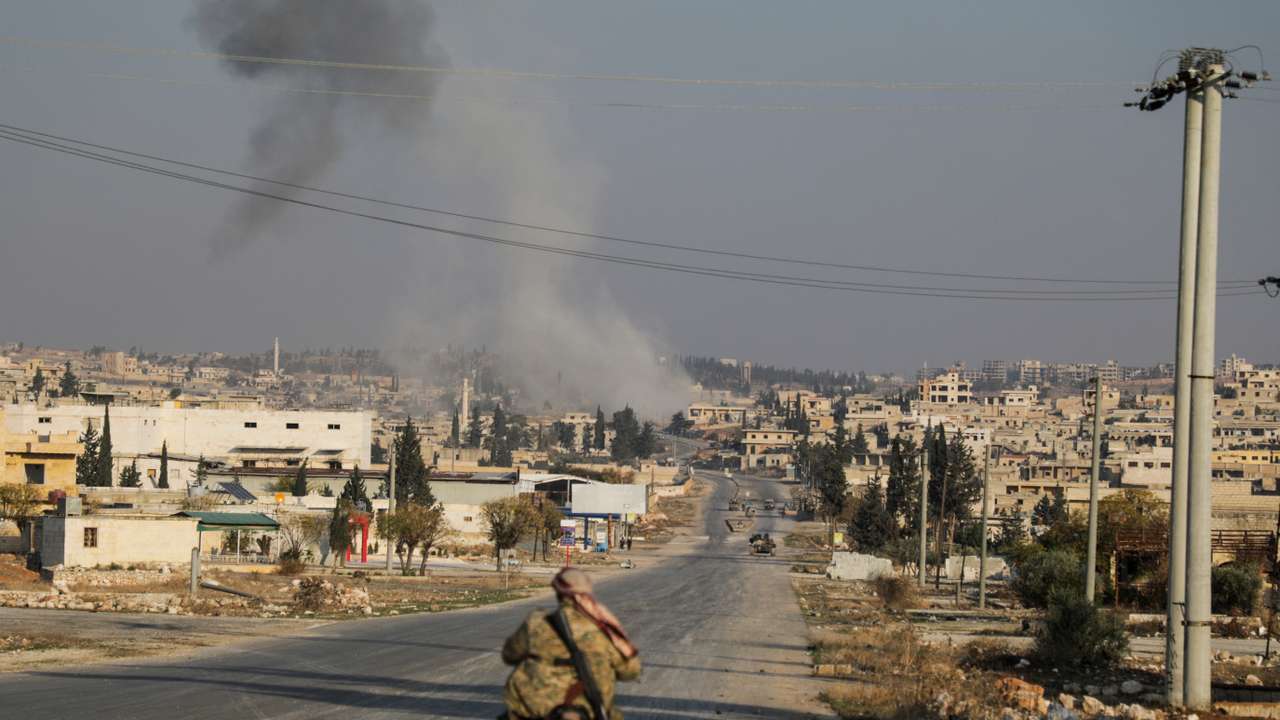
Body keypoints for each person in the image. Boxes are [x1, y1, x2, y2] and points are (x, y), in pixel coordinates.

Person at [502, 568, 641, 720]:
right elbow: (631, 670)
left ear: (558, 593)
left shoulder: (536, 623)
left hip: (537, 708)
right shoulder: (602, 627)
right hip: (588, 709)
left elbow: (509, 654)